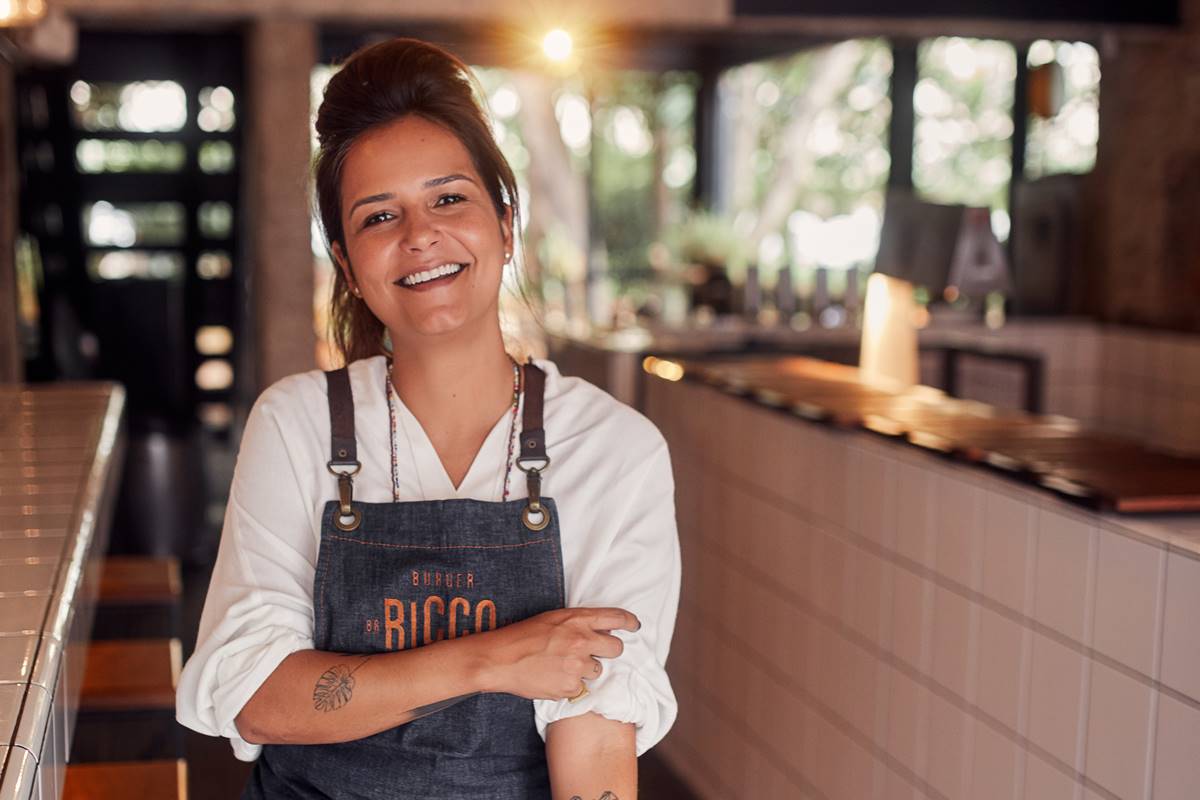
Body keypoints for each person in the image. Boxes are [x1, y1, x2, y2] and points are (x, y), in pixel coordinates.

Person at [175, 37, 680, 800]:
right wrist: (492, 659)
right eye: (380, 216)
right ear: (346, 263)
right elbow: (258, 697)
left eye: (449, 198)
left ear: (505, 225)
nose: (419, 235)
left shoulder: (612, 449)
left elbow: (597, 726)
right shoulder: (297, 426)